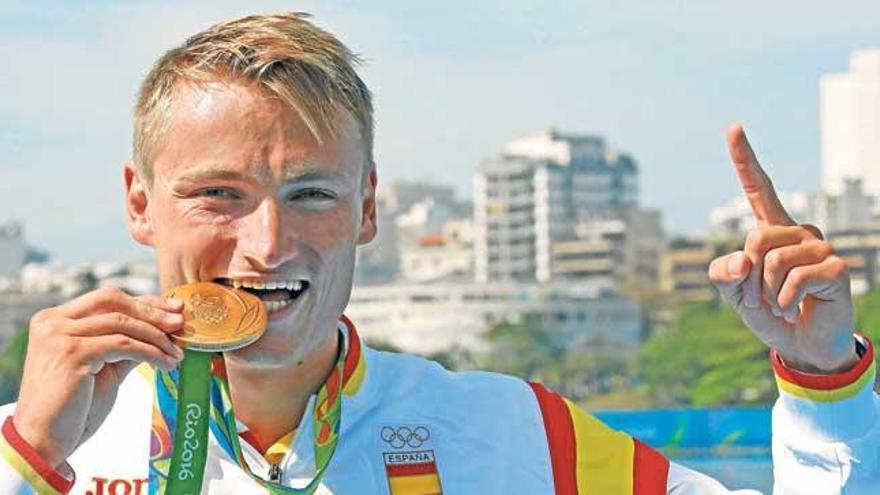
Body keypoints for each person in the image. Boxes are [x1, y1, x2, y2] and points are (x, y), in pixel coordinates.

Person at [0, 12, 877, 495]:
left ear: (368, 208)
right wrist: (29, 464)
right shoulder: (39, 445)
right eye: (219, 195)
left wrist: (821, 375)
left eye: (312, 194)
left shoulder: (513, 435)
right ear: (139, 204)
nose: (266, 244)